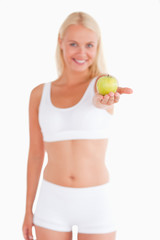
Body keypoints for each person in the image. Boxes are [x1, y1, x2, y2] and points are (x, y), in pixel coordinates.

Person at [22, 11, 133, 240]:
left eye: (89, 45)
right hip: (51, 202)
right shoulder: (39, 94)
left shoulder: (101, 85)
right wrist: (27, 210)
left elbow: (98, 102)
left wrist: (103, 101)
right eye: (74, 43)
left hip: (96, 203)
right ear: (60, 42)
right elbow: (35, 154)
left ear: (97, 47)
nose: (82, 52)